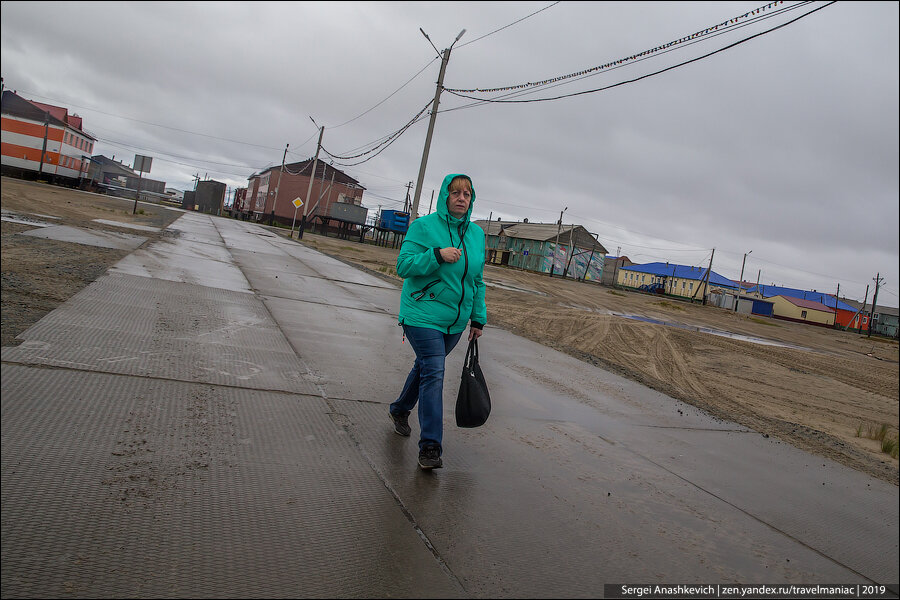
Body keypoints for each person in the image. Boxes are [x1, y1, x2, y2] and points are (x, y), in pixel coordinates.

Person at [389, 173, 486, 470]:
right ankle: (430, 446)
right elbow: (403, 266)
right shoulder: (424, 227)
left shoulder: (477, 235)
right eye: (455, 193)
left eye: (466, 194)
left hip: (454, 322)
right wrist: (436, 255)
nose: (461, 198)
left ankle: (400, 409)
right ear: (445, 195)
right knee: (435, 370)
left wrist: (478, 318)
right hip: (421, 314)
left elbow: (477, 280)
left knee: (426, 367)